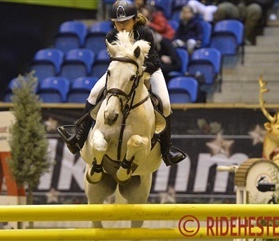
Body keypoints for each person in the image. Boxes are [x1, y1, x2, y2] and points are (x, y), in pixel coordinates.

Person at [60, 0, 186, 166]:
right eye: (118, 22)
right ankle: (79, 137)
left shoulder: (145, 33)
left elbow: (154, 61)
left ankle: (166, 150)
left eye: (125, 21)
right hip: (121, 74)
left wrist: (140, 71)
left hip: (150, 71)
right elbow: (116, 62)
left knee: (166, 103)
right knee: (93, 93)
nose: (121, 26)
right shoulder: (111, 36)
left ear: (134, 19)